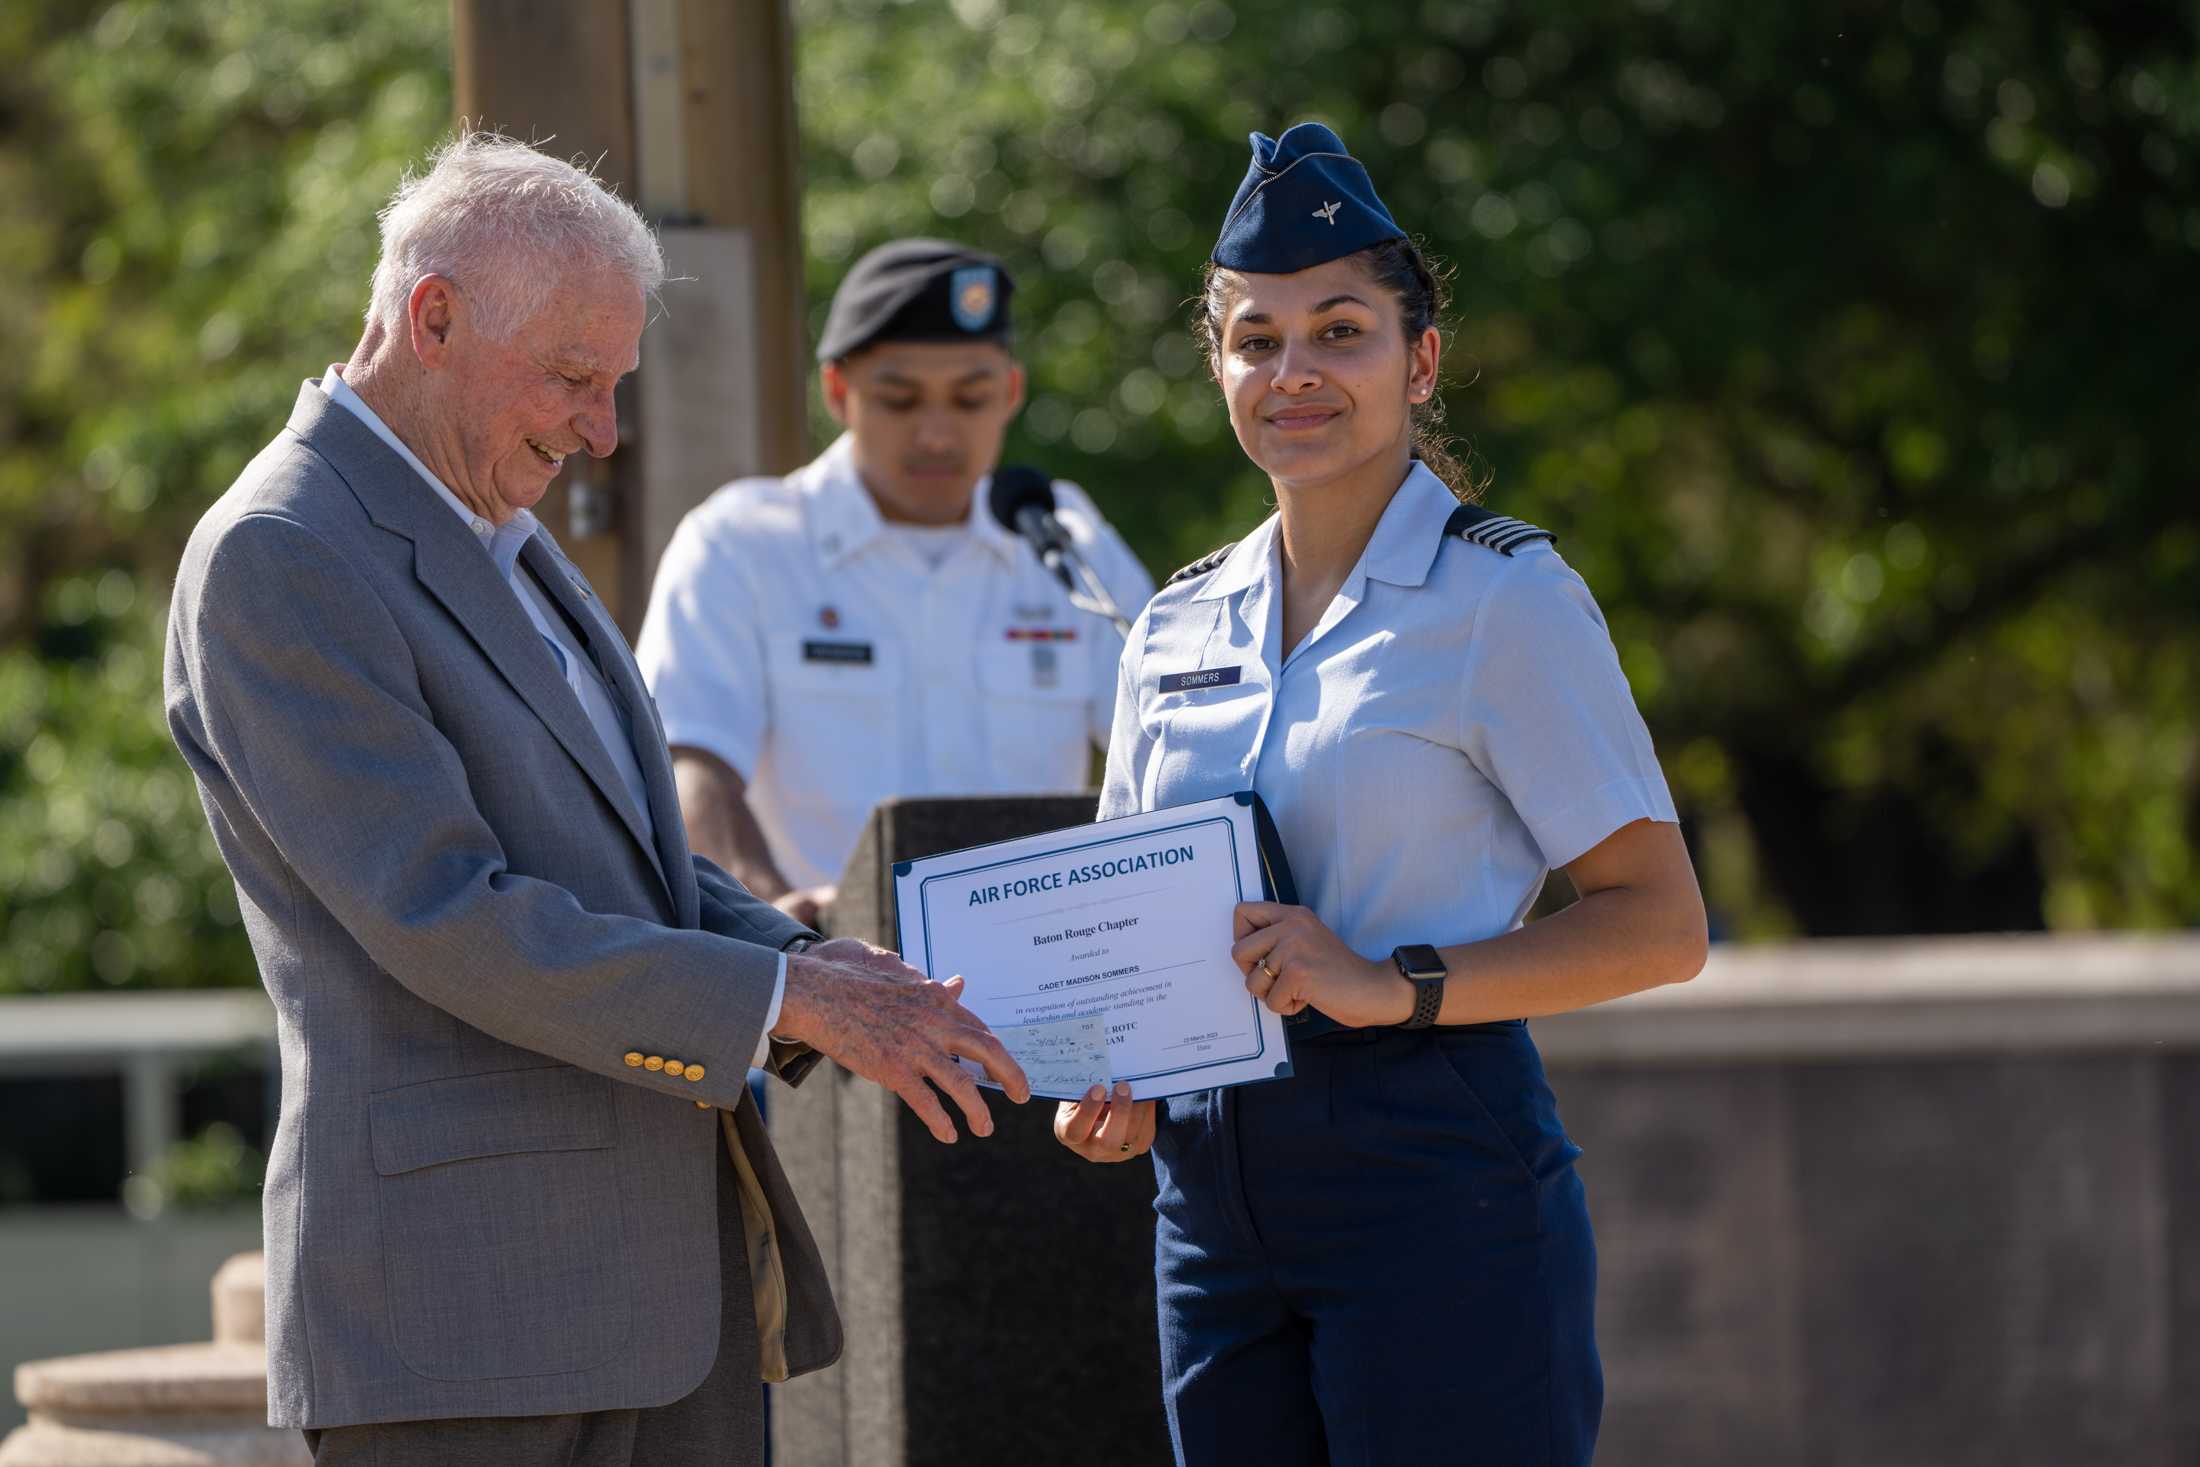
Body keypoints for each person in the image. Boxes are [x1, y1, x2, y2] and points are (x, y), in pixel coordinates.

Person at [163, 134, 1028, 1467]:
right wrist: (787, 1001)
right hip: (465, 1329)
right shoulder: (284, 550)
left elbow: (629, 858)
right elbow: (447, 913)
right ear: (432, 315)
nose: (603, 430)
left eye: (615, 384)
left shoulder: (494, 528)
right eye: (575, 377)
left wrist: (801, 953)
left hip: (657, 1307)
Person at [1052, 123, 1708, 1466]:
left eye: (1338, 331)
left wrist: (1387, 979)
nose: (1292, 372)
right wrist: (1103, 1067)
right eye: (1255, 338)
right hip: (1209, 1193)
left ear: (1418, 360)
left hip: (1433, 1162)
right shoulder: (1171, 622)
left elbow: (1660, 921)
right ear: (1218, 364)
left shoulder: (1503, 598)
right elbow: (1128, 918)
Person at [635, 240, 1155, 925]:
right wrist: (773, 917)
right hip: (833, 971)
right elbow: (688, 762)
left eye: (971, 398)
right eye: (900, 399)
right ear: (839, 390)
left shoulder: (1065, 541)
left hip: (1048, 969)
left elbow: (1165, 744)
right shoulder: (744, 544)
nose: (937, 434)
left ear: (1012, 392)